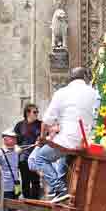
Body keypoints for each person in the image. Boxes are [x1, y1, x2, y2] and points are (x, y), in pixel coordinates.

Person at [37, 67, 99, 202]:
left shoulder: (62, 93)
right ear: (85, 78)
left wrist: (42, 138)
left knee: (40, 157)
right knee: (65, 159)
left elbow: (47, 120)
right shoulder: (94, 93)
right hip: (87, 140)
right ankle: (63, 189)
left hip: (68, 139)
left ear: (70, 78)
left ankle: (59, 189)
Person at [0, 128, 21, 211]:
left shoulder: (16, 151)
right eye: (13, 138)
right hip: (4, 186)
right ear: (5, 139)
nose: (15, 139)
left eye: (15, 138)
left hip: (15, 186)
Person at [13, 103, 42, 200]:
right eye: (35, 112)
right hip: (23, 157)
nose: (37, 113)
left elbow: (46, 137)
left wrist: (41, 141)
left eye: (37, 111)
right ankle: (26, 201)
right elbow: (14, 140)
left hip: (35, 157)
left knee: (35, 180)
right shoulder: (20, 125)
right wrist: (16, 147)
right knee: (25, 180)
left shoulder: (41, 124)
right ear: (27, 112)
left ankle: (35, 201)